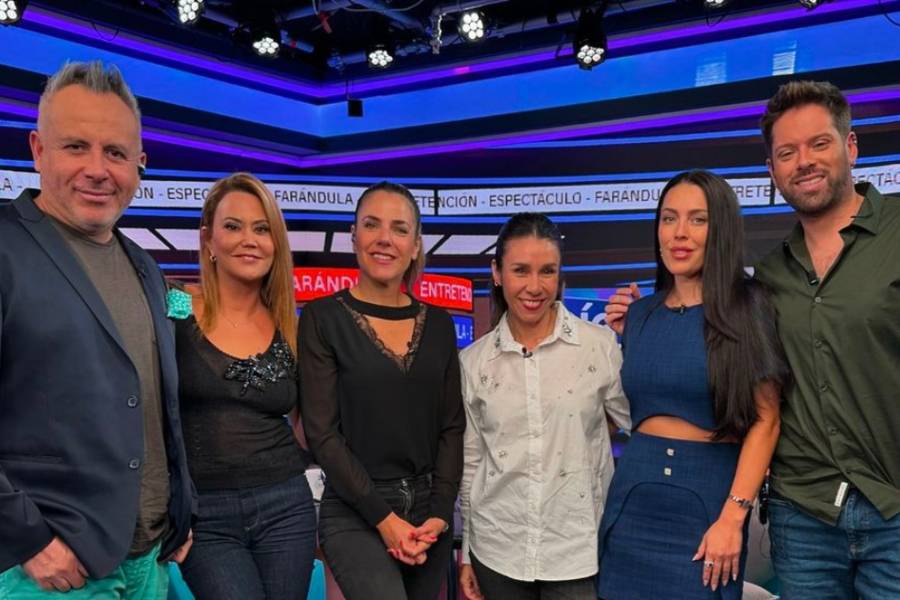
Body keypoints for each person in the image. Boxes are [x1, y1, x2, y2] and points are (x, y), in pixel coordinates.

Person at [0, 61, 194, 597]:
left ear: (139, 164)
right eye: (75, 147)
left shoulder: (146, 268)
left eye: (115, 152)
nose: (97, 169)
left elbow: (155, 407)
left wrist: (182, 505)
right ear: (38, 150)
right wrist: (26, 539)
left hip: (150, 560)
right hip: (48, 571)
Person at [597, 170, 789, 600]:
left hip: (708, 510)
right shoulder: (640, 314)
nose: (679, 233)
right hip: (631, 506)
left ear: (721, 229)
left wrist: (733, 518)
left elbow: (767, 421)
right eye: (669, 218)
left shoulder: (749, 307)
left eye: (697, 220)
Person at [753, 81, 900, 599]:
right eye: (787, 153)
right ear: (772, 172)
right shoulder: (769, 275)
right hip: (803, 516)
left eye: (819, 143)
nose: (804, 162)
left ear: (850, 147)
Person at [299, 181, 466, 600]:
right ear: (353, 236)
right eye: (372, 225)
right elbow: (322, 433)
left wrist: (441, 514)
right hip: (355, 510)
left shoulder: (440, 325)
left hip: (429, 514)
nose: (384, 239)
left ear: (416, 245)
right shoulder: (322, 318)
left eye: (399, 228)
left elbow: (451, 427)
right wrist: (385, 519)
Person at [457, 213, 630, 600]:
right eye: (520, 270)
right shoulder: (473, 362)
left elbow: (644, 425)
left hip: (578, 552)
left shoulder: (599, 346)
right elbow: (472, 462)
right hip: (497, 549)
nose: (534, 287)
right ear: (497, 273)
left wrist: (643, 342)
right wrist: (467, 551)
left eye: (547, 271)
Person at [167, 173, 316, 599]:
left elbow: (311, 427)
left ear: (275, 244)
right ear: (208, 239)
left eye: (261, 229)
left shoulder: (290, 325)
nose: (249, 240)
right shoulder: (174, 304)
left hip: (287, 506)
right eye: (233, 226)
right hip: (205, 514)